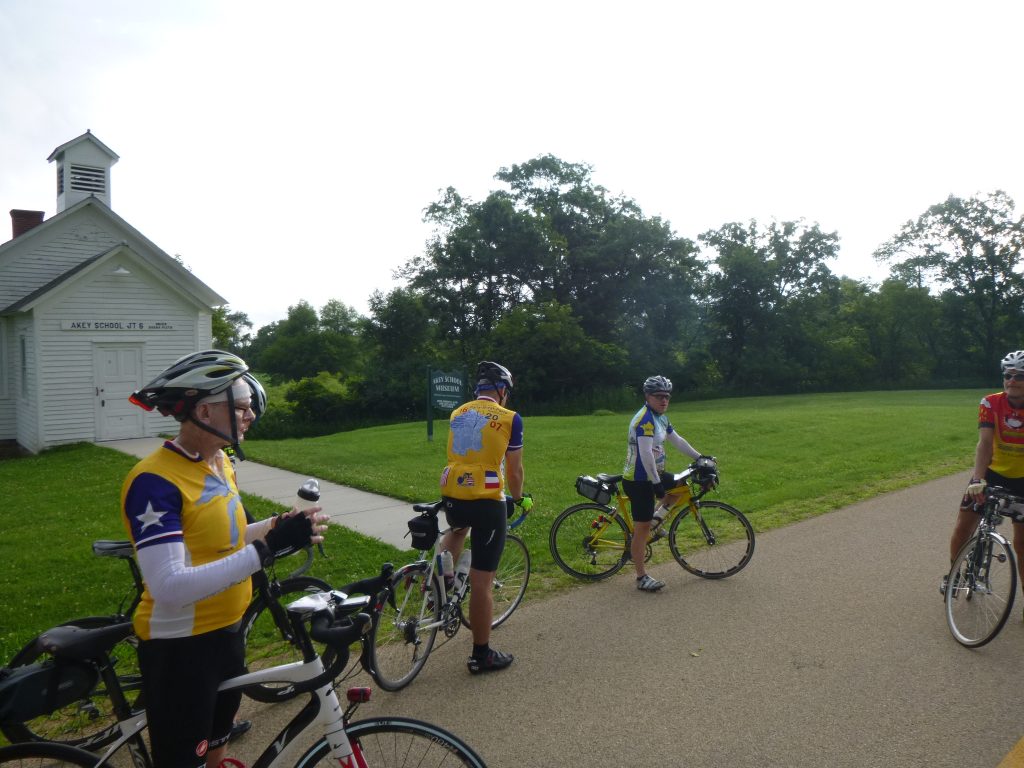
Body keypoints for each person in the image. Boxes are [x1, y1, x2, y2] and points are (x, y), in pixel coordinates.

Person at [121, 350, 328, 768]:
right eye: (241, 407)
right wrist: (267, 549)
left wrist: (276, 526)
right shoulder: (154, 480)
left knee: (216, 752)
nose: (251, 415)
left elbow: (227, 540)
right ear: (204, 411)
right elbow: (169, 587)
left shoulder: (220, 464)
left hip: (226, 636)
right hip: (181, 650)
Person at [438, 360, 531, 674]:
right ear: (502, 390)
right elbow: (514, 470)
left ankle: (440, 586)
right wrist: (518, 497)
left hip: (453, 492)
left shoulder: (458, 412)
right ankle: (481, 654)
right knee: (482, 582)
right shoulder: (510, 417)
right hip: (487, 498)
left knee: (457, 529)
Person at [944, 349, 1024, 598]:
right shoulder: (990, 402)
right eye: (1008, 375)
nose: (1012, 381)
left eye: (1019, 376)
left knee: (1022, 544)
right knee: (963, 527)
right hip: (992, 473)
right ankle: (955, 575)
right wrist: (978, 478)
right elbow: (985, 443)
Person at [622, 375, 711, 592]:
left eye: (667, 397)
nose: (664, 400)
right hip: (639, 479)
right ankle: (641, 577)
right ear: (647, 396)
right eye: (659, 396)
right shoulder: (645, 420)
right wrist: (656, 485)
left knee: (680, 487)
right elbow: (645, 454)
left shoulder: (661, 417)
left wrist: (700, 457)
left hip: (654, 474)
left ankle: (655, 522)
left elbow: (677, 440)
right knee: (641, 529)